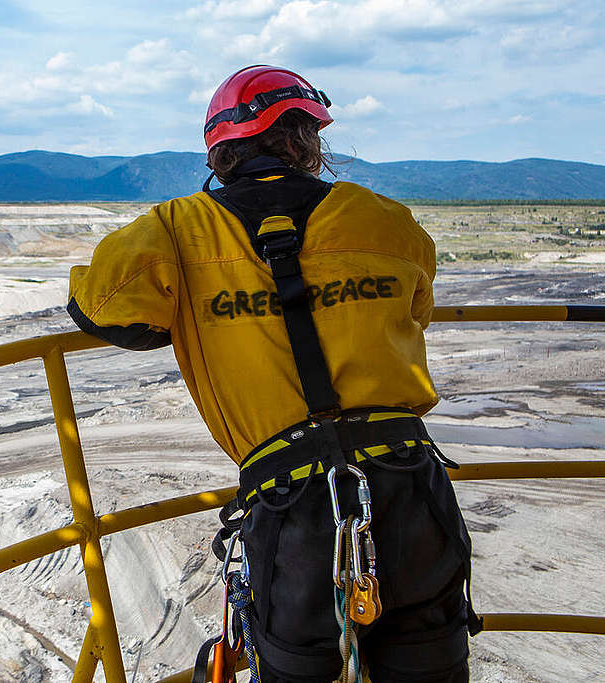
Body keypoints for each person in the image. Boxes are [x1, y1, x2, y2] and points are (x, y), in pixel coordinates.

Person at [67, 65, 478, 682]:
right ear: (309, 140)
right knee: (430, 663)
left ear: (220, 149)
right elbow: (414, 311)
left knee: (295, 667)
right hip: (411, 488)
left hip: (295, 508)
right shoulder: (385, 220)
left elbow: (101, 311)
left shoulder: (174, 231)